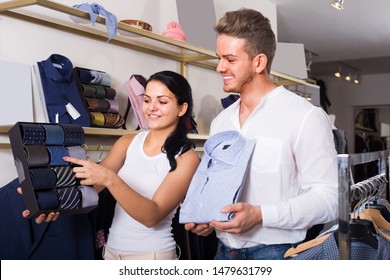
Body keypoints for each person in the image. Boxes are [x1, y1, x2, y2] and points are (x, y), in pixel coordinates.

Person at [184, 8, 338, 260]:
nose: (219, 67)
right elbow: (219, 188)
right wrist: (206, 217)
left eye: (230, 59)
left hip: (277, 254)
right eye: (219, 57)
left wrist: (261, 215)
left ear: (259, 62)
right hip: (223, 254)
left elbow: (329, 198)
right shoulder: (221, 122)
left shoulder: (304, 116)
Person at [22, 70, 200, 260]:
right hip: (112, 253)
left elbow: (152, 216)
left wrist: (110, 179)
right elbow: (92, 187)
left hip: (152, 257)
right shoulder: (128, 141)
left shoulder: (187, 158)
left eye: (162, 102)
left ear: (181, 108)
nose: (151, 108)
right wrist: (48, 199)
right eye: (147, 100)